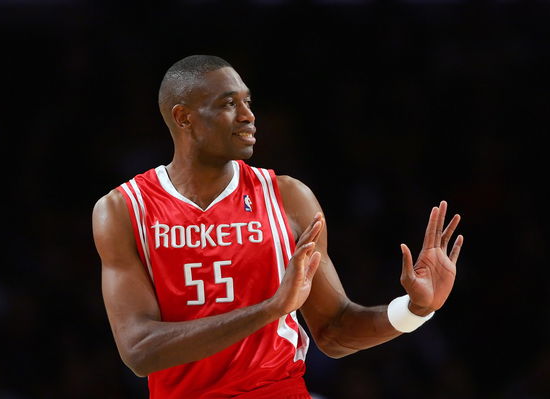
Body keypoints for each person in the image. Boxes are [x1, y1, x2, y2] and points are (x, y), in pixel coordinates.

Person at [91, 54, 464, 399]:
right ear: (183, 117)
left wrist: (415, 309)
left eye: (248, 102)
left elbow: (334, 331)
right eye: (228, 104)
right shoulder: (124, 209)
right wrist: (271, 309)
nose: (248, 116)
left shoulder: (288, 196)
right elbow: (139, 351)